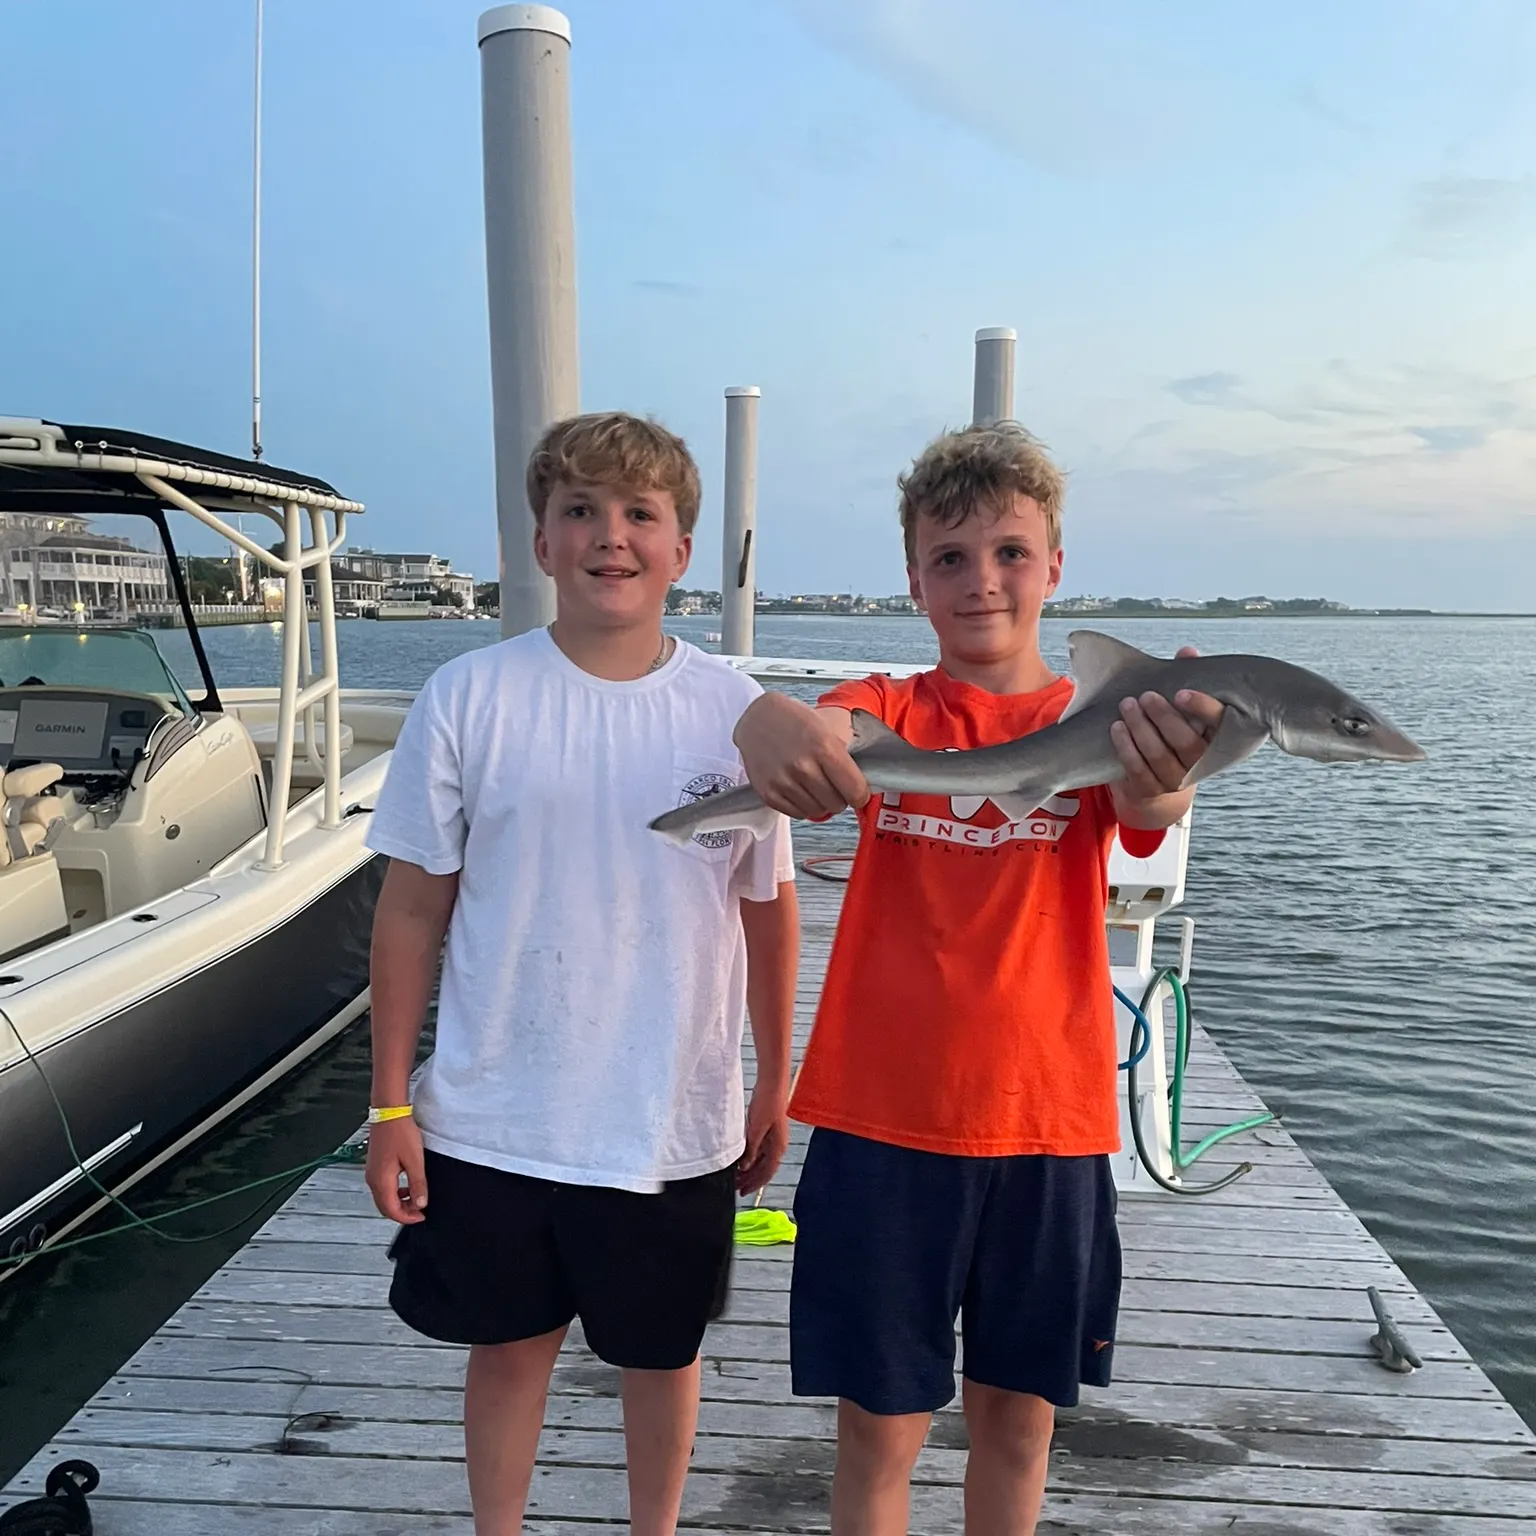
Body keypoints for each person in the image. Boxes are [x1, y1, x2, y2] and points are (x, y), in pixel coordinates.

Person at [730, 421, 1223, 1535]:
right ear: (913, 577)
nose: (982, 581)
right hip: (880, 1122)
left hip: (1047, 1126)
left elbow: (1151, 812)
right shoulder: (893, 708)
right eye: (949, 557)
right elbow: (826, 727)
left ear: (1054, 567)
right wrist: (767, 717)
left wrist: (1171, 765)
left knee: (1018, 1426)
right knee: (878, 1433)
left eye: (1010, 552)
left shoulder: (1102, 720)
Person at [362, 411, 799, 1536]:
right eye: (581, 512)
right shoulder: (469, 696)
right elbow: (413, 911)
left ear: (681, 551)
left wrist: (773, 1078)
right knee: (508, 1355)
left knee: (662, 1359)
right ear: (541, 545)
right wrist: (390, 1103)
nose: (613, 537)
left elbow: (769, 904)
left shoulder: (739, 714)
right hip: (495, 1115)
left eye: (641, 515)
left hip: (672, 1118)